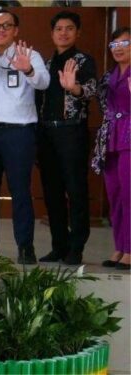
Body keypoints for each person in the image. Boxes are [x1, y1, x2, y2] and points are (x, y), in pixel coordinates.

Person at [0, 10, 50, 264]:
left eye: (7, 25)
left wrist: (27, 70)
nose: (1, 30)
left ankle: (25, 247)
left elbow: (44, 82)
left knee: (20, 192)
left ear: (16, 30)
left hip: (19, 133)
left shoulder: (30, 55)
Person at [36, 11, 97, 265]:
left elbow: (92, 89)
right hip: (46, 133)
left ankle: (76, 247)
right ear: (52, 33)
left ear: (77, 32)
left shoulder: (84, 60)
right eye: (59, 28)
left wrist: (74, 88)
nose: (63, 33)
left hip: (72, 131)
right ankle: (59, 245)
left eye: (69, 28)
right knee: (52, 192)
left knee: (76, 190)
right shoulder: (47, 63)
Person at [93, 27, 130, 270]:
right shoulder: (108, 76)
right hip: (110, 138)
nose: (118, 48)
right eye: (114, 44)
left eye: (125, 43)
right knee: (115, 195)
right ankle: (119, 247)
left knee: (130, 195)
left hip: (129, 137)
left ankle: (130, 250)